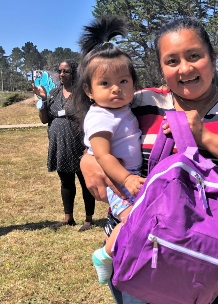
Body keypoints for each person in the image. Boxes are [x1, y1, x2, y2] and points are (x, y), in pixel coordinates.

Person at [80, 17, 218, 304]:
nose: (185, 69)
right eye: (172, 61)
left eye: (194, 56)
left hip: (205, 257)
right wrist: (86, 159)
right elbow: (101, 128)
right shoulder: (140, 101)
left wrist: (205, 136)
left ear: (212, 57)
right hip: (139, 248)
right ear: (161, 68)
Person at [73, 16, 146, 286]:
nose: (116, 88)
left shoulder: (121, 107)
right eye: (105, 84)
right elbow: (102, 155)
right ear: (89, 91)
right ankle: (104, 255)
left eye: (124, 81)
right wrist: (126, 179)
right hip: (119, 179)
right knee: (132, 220)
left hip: (131, 175)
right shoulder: (101, 116)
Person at [32, 59, 96, 232]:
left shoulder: (82, 93)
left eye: (65, 71)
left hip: (79, 144)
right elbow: (45, 119)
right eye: (59, 71)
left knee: (85, 182)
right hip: (60, 144)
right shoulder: (53, 94)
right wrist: (42, 101)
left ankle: (89, 219)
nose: (61, 74)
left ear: (73, 73)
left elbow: (92, 118)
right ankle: (68, 218)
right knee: (66, 181)